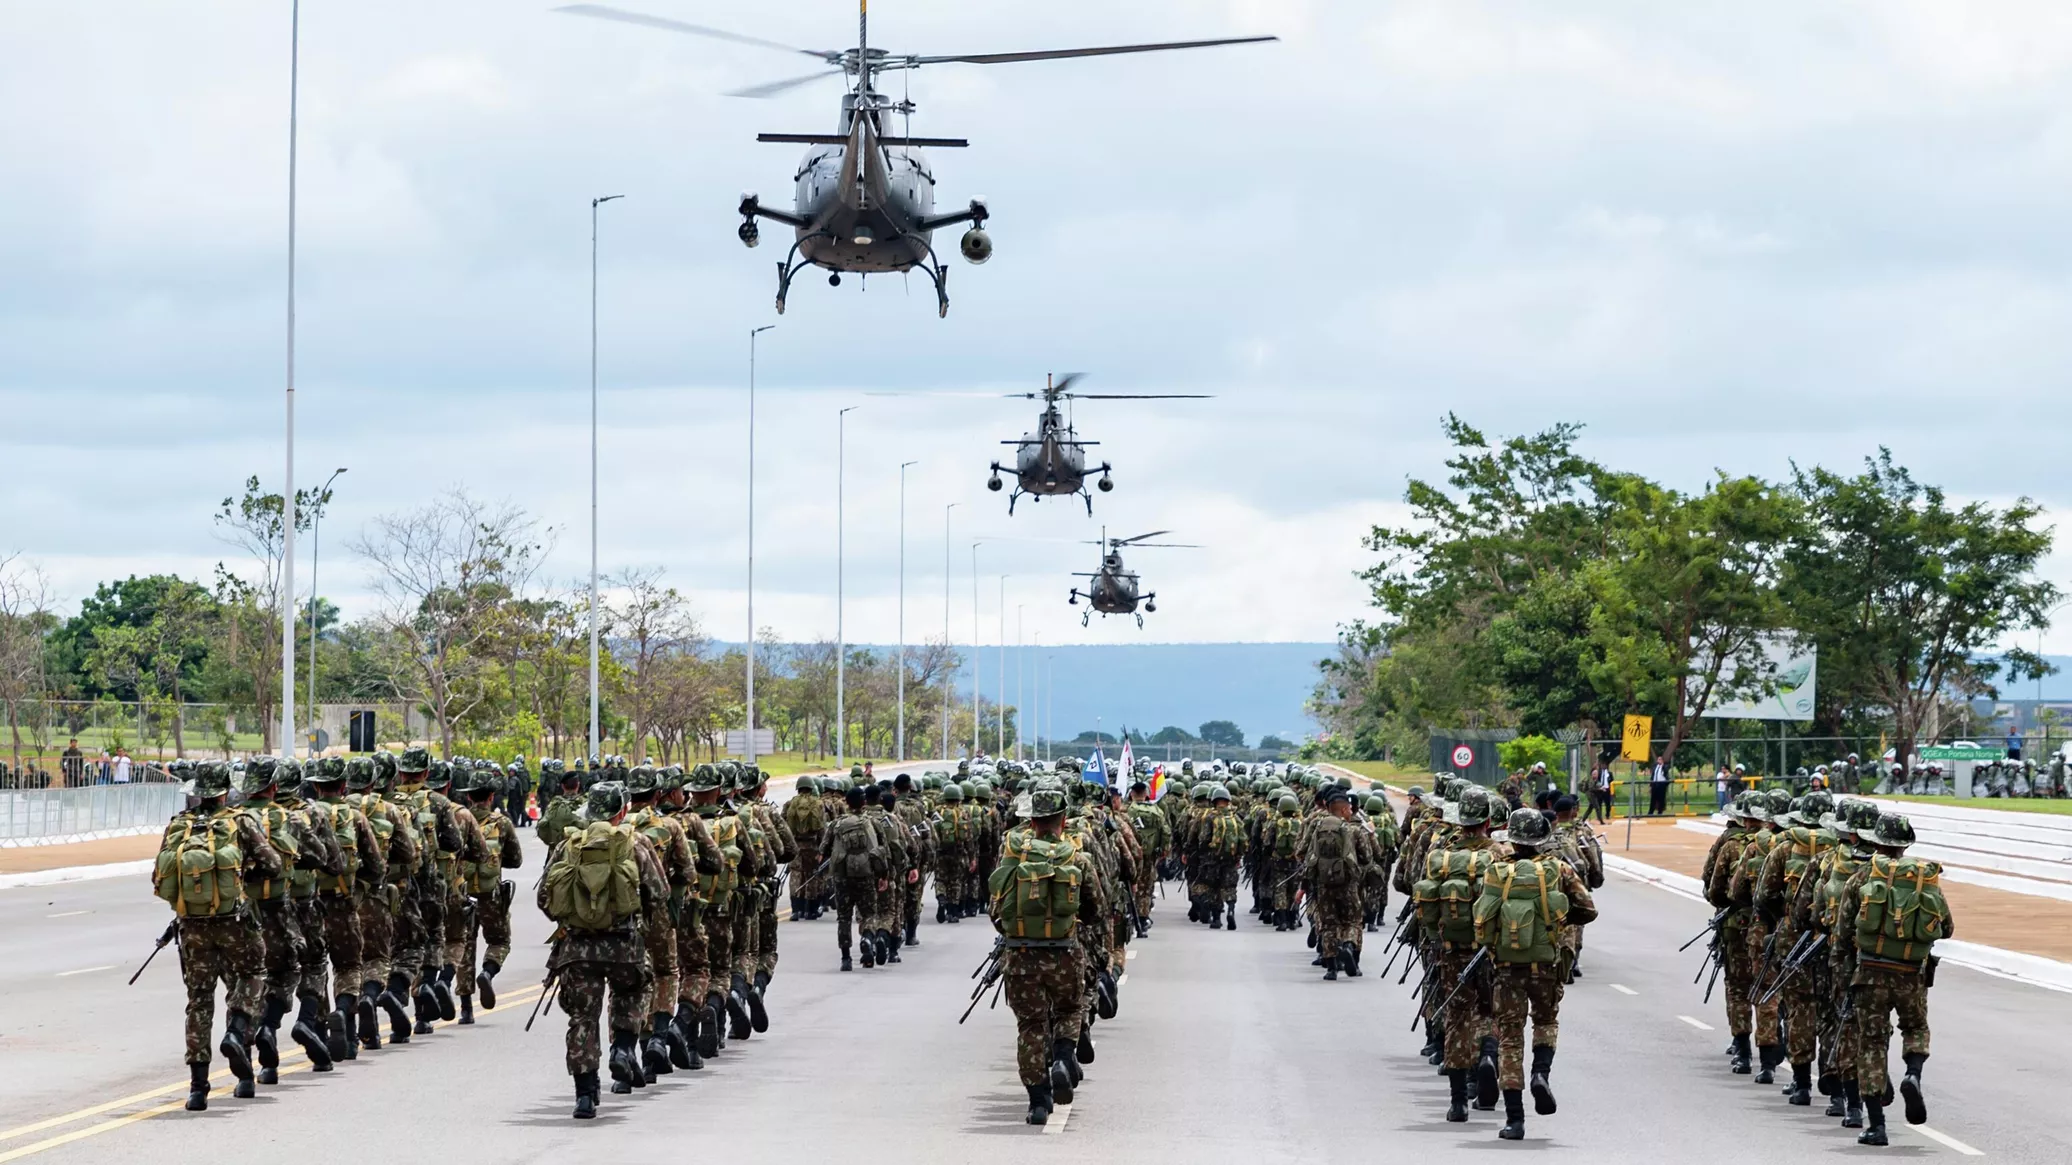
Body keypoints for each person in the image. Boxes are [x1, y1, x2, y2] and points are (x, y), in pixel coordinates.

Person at [153, 760, 282, 1111]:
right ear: (225, 791)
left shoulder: (178, 826)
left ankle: (198, 1088)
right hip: (235, 922)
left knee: (199, 1001)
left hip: (192, 926)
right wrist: (241, 874)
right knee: (251, 977)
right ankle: (238, 1039)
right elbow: (273, 865)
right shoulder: (240, 821)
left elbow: (159, 876)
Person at [539, 781, 668, 1119]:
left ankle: (585, 1095)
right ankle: (623, 1049)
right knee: (634, 990)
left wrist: (575, 920)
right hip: (625, 946)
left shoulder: (568, 845)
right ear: (622, 811)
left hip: (578, 949)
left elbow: (544, 898)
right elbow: (659, 892)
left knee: (582, 1018)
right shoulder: (636, 843)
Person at [1481, 807, 1597, 1140]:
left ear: (1513, 839)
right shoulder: (1559, 869)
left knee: (1509, 1037)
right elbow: (1588, 909)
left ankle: (1514, 1120)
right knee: (1545, 1022)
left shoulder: (1496, 872)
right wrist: (1556, 922)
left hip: (1507, 967)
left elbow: (1484, 919)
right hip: (1546, 965)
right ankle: (1540, 1074)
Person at [1837, 812, 1950, 1147]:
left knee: (1871, 1044)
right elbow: (1946, 927)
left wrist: (1845, 975)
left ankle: (1876, 1126)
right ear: (1904, 845)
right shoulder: (1924, 879)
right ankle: (1913, 1074)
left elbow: (1842, 933)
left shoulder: (1861, 877)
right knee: (1915, 1028)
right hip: (1911, 974)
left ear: (1876, 840)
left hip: (1870, 973)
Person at [994, 778, 1097, 1125]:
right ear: (1063, 820)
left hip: (1021, 955)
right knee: (1069, 1009)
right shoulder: (1076, 856)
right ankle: (1064, 1059)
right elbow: (1096, 909)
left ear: (1032, 821)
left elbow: (996, 910)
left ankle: (1038, 1102)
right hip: (1066, 953)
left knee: (1030, 1026)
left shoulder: (1011, 856)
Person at [1301, 786, 1375, 980]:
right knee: (1353, 921)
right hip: (1349, 885)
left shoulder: (1318, 829)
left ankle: (1331, 968)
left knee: (1329, 924)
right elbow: (1367, 858)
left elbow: (1306, 854)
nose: (1351, 812)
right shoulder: (1355, 830)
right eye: (1349, 809)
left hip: (1324, 885)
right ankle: (1349, 948)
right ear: (1343, 810)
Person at [824, 783, 886, 971]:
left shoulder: (837, 823)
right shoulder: (872, 823)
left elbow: (824, 848)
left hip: (842, 876)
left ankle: (846, 958)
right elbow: (882, 849)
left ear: (847, 802)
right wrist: (883, 874)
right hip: (866, 875)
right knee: (869, 913)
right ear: (863, 802)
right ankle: (867, 938)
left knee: (843, 917)